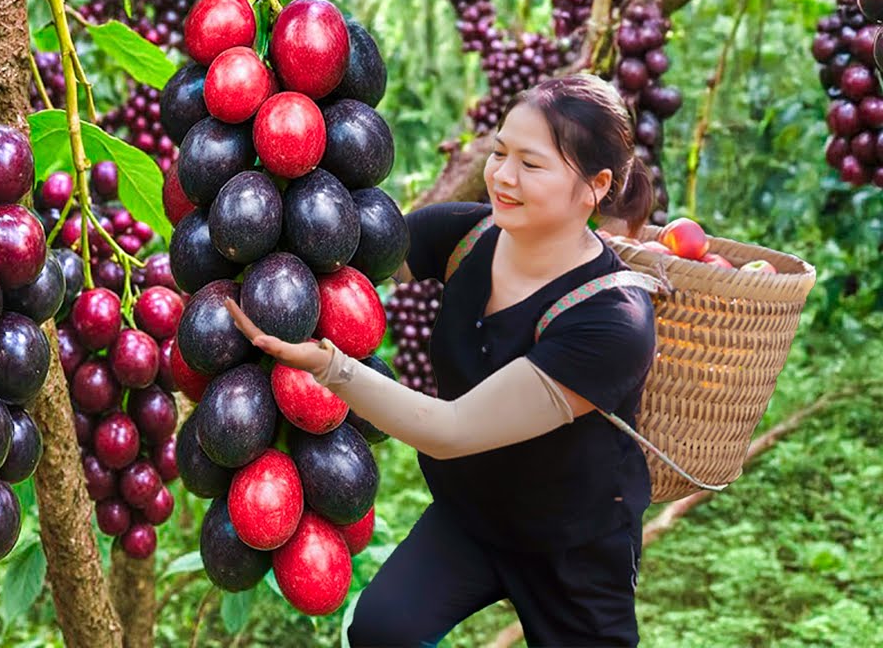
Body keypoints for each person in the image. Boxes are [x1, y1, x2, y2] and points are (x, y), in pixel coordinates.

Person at [225, 73, 659, 647]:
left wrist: (329, 366)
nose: (502, 177)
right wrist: (274, 205)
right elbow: (342, 255)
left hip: (573, 547)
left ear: (595, 186)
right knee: (383, 633)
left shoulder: (613, 320)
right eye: (499, 152)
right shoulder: (465, 236)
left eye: (531, 165)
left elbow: (450, 430)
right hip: (470, 519)